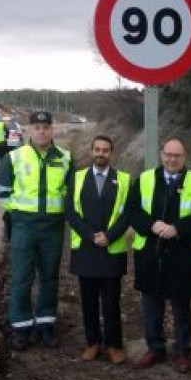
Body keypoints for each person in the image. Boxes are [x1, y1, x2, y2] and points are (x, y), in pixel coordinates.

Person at [128, 137, 191, 373]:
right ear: (161, 154)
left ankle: (182, 351)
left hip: (182, 255)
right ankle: (155, 348)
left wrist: (178, 229)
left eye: (177, 155)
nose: (172, 159)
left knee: (181, 307)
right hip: (149, 253)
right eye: (168, 154)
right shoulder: (145, 179)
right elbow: (132, 209)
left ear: (184, 157)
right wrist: (151, 225)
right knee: (150, 306)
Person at [0, 111, 74, 351]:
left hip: (53, 228)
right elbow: (2, 192)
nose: (41, 131)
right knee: (21, 279)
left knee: (49, 278)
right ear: (29, 130)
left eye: (46, 127)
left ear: (52, 130)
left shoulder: (65, 158)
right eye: (37, 127)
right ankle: (21, 328)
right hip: (24, 227)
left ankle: (46, 326)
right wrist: (19, 215)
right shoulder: (16, 157)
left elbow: (71, 194)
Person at [65, 135, 130, 364]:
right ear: (91, 151)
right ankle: (92, 343)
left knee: (112, 302)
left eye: (105, 150)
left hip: (112, 250)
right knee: (89, 301)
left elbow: (127, 214)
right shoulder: (78, 178)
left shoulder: (123, 179)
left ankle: (114, 346)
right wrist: (91, 236)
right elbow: (70, 212)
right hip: (86, 249)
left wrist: (109, 236)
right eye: (97, 149)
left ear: (111, 154)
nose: (101, 154)